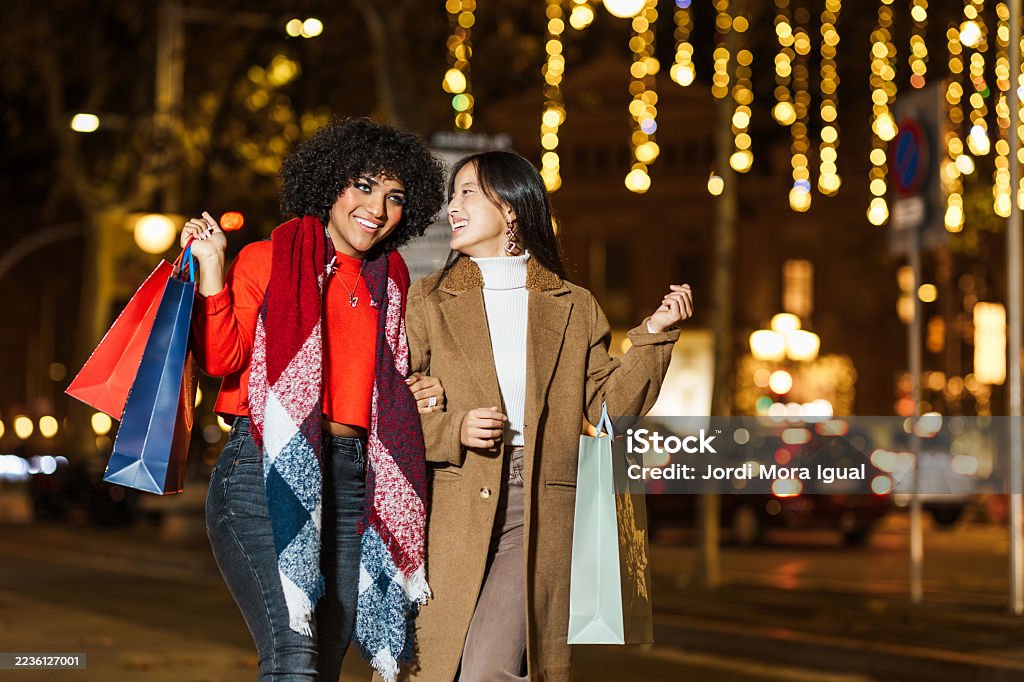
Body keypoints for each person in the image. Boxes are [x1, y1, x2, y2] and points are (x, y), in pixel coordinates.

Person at [400, 150, 692, 681]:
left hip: (536, 510)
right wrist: (452, 427)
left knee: (488, 672)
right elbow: (391, 412)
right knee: (435, 670)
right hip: (448, 509)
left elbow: (607, 409)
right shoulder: (428, 300)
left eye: (467, 192)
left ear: (511, 209)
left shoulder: (573, 305)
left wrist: (653, 336)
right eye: (454, 194)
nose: (453, 206)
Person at [184, 118, 447, 682]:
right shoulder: (270, 257)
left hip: (355, 481)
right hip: (261, 472)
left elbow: (389, 382)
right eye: (363, 184)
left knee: (326, 661)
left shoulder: (391, 278)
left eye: (395, 197)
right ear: (329, 183)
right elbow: (222, 358)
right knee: (295, 654)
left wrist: (417, 390)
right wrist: (211, 268)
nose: (377, 206)